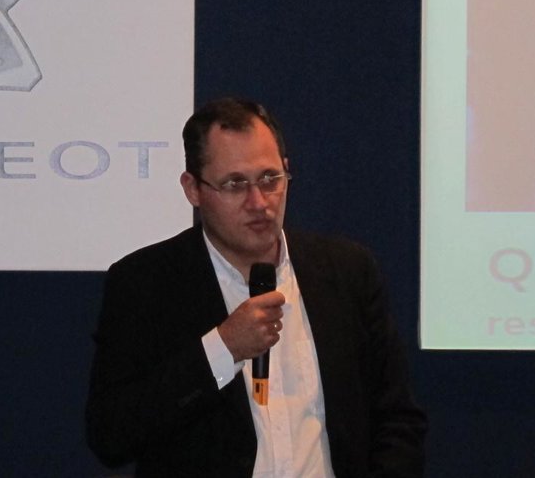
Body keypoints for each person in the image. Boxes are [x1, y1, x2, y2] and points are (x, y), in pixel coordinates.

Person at [86, 97, 426, 477]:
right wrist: (223, 348)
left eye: (269, 179)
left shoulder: (348, 272)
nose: (258, 201)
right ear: (193, 189)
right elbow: (111, 434)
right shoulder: (145, 284)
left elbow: (397, 420)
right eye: (235, 184)